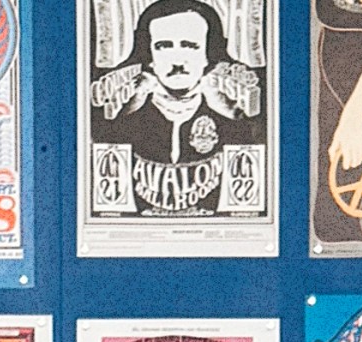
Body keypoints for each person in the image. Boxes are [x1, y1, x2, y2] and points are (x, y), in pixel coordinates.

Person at [90, 0, 260, 215]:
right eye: (164, 46)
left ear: (209, 54)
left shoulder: (233, 123)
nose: (177, 60)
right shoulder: (125, 123)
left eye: (190, 46)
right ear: (149, 56)